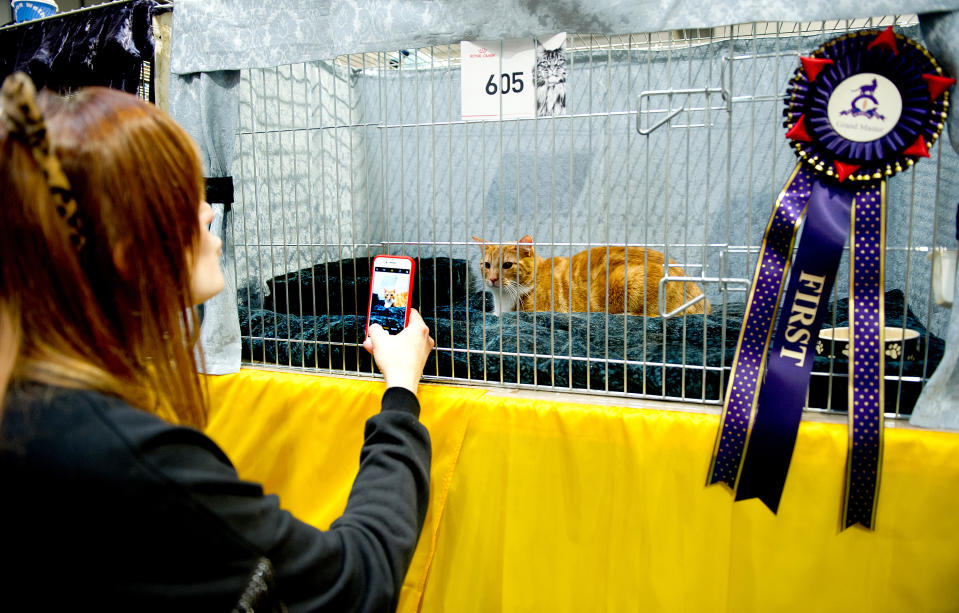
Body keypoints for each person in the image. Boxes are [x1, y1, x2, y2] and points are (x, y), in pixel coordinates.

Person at [0, 71, 435, 611]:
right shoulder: (136, 461)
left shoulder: (30, 409)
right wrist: (401, 394)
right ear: (124, 249)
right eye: (183, 195)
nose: (208, 209)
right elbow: (355, 583)